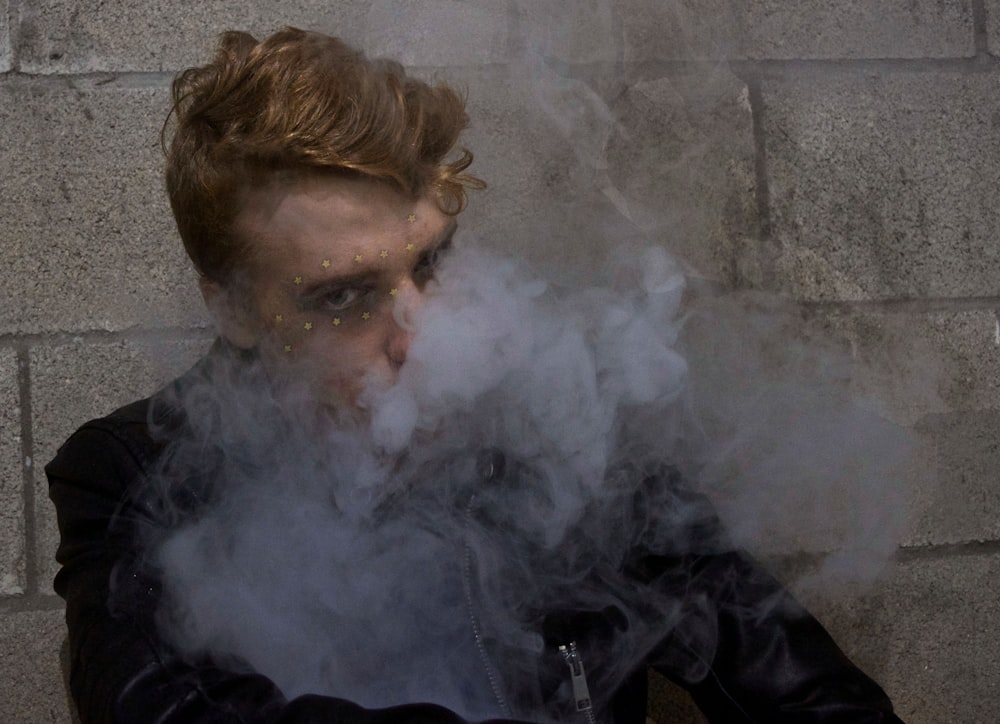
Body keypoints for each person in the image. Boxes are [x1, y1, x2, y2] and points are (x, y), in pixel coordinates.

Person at [46, 27, 904, 723]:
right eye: (343, 297)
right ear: (231, 307)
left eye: (432, 263)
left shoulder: (562, 431)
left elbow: (805, 687)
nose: (425, 337)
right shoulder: (131, 475)